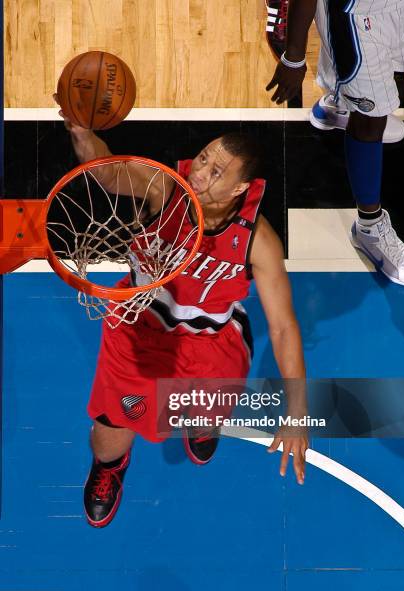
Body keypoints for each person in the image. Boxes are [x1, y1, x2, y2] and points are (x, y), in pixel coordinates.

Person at [57, 104, 308, 527]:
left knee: (208, 411)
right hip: (138, 329)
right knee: (109, 435)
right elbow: (106, 171)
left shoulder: (258, 240)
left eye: (216, 172)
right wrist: (81, 132)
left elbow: (283, 328)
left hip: (211, 344)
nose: (200, 173)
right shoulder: (164, 189)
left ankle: (201, 424)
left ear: (238, 188)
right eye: (204, 158)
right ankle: (110, 468)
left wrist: (297, 414)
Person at [266, 0, 404, 285]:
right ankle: (369, 226)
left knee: (395, 68)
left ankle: (341, 101)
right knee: (371, 120)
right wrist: (294, 56)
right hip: (358, 17)